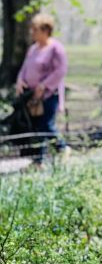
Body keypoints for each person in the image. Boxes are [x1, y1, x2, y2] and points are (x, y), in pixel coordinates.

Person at [14, 13, 68, 165]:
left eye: (35, 30)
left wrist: (44, 85)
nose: (32, 33)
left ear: (45, 30)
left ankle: (62, 148)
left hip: (49, 95)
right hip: (32, 96)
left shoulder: (56, 49)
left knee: (46, 125)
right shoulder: (33, 49)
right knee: (36, 127)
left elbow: (60, 71)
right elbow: (24, 68)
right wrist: (20, 81)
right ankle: (38, 161)